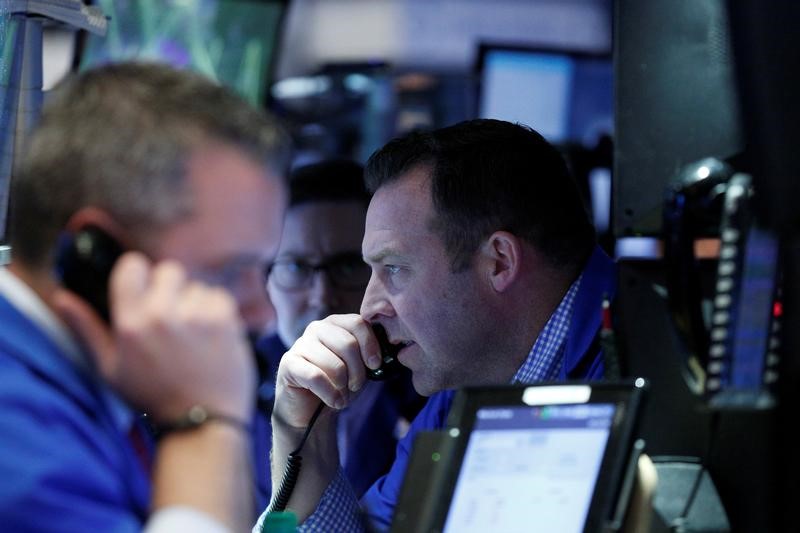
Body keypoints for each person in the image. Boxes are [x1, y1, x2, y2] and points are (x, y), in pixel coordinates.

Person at [257, 119, 617, 531]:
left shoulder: (664, 361)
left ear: (499, 261)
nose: (368, 305)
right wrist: (303, 436)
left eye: (394, 268)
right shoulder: (456, 400)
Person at [0, 62, 291, 532]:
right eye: (231, 271)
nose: (264, 314)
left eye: (266, 271)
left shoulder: (98, 383)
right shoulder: (15, 434)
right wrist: (204, 423)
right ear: (95, 255)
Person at [252, 160, 423, 509]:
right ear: (266, 276)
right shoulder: (234, 387)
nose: (322, 297)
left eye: (347, 267)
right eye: (296, 267)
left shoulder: (434, 379)